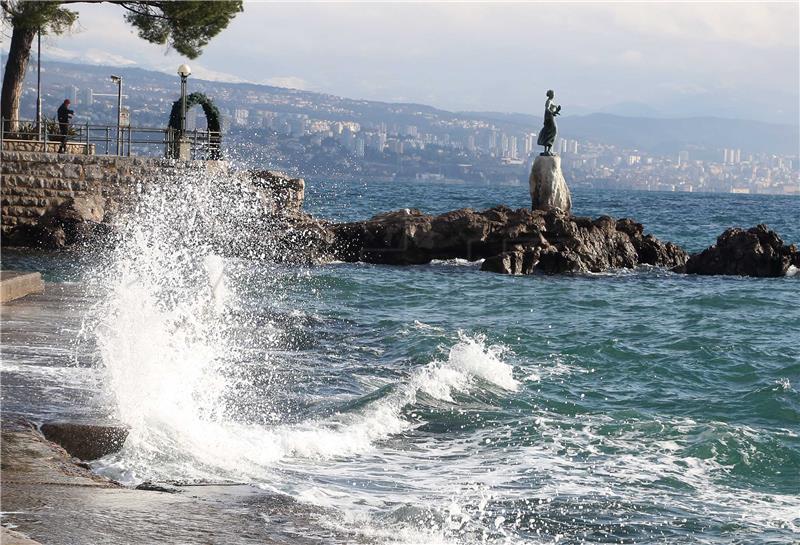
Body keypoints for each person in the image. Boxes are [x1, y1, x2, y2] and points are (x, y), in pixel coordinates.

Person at [536, 90, 561, 156]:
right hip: (549, 118)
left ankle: (548, 150)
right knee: (553, 130)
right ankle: (546, 150)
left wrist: (556, 111)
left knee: (551, 131)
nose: (554, 95)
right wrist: (552, 112)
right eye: (553, 94)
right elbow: (547, 109)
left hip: (551, 117)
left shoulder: (551, 101)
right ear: (550, 95)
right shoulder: (548, 101)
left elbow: (552, 109)